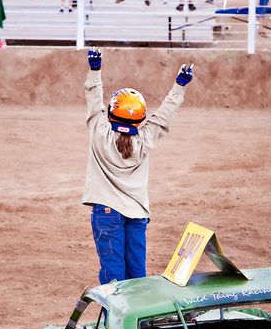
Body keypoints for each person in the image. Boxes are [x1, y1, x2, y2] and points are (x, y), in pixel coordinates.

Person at [82, 47, 194, 285]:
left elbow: (93, 101)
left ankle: (115, 320)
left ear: (111, 114)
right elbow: (164, 115)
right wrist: (180, 85)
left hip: (107, 213)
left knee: (113, 275)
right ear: (140, 119)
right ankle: (139, 321)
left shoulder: (99, 133)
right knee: (137, 276)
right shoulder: (145, 139)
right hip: (137, 214)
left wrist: (95, 70)